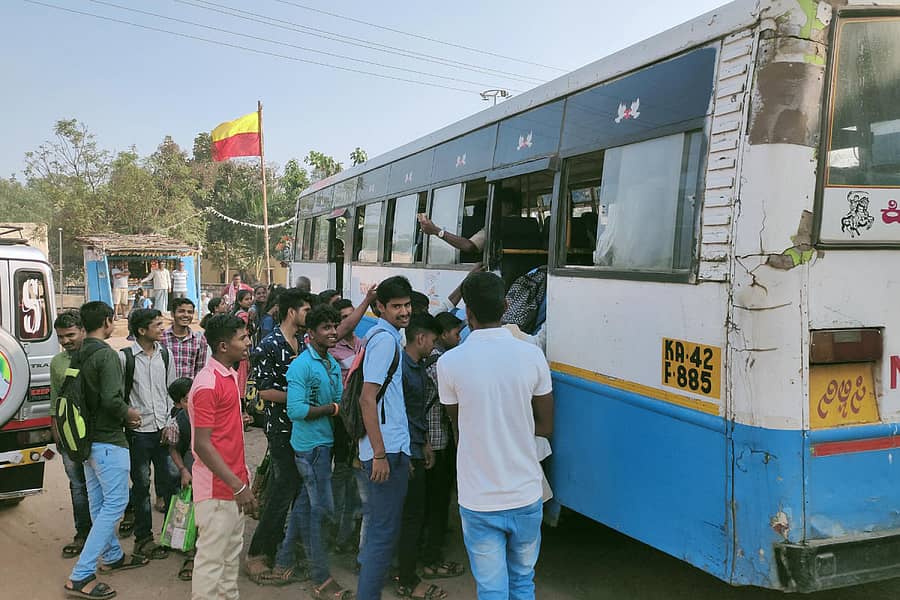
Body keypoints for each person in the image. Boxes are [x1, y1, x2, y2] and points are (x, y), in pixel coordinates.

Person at [437, 272, 554, 600]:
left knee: (491, 590)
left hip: (479, 498)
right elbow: (545, 426)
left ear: (468, 313)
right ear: (505, 306)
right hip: (526, 494)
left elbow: (460, 427)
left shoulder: (449, 363)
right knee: (522, 583)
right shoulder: (533, 357)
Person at [64, 301, 147, 600]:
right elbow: (113, 400)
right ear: (108, 322)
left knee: (99, 505)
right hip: (109, 441)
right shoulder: (107, 356)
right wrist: (131, 414)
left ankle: (112, 556)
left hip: (85, 442)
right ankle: (81, 575)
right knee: (114, 505)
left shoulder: (78, 353)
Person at [276, 304, 353, 598]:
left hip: (325, 444)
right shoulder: (301, 366)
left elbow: (338, 400)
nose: (333, 332)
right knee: (321, 511)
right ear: (311, 333)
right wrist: (332, 409)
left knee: (306, 505)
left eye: (335, 326)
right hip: (310, 448)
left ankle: (284, 559)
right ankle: (320, 576)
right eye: (326, 328)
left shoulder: (330, 364)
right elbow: (296, 409)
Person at [244, 289, 314, 584]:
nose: (310, 315)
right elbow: (263, 390)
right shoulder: (269, 345)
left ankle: (286, 550)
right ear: (291, 312)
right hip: (282, 429)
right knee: (282, 489)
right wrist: (299, 400)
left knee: (297, 490)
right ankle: (258, 554)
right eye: (306, 309)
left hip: (304, 429)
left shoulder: (303, 342)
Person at [188, 314, 257, 600]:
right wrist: (238, 486)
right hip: (218, 491)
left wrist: (243, 482)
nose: (248, 342)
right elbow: (202, 445)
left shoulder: (228, 376)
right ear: (223, 346)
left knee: (230, 562)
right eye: (242, 338)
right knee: (212, 564)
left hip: (232, 486)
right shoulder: (207, 384)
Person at [356, 275, 413, 600]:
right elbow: (368, 398)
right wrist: (379, 453)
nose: (404, 312)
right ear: (380, 307)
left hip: (392, 448)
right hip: (384, 451)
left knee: (384, 532)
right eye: (396, 306)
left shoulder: (387, 336)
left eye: (406, 305)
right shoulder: (384, 341)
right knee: (381, 535)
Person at [396, 314, 449, 600]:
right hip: (407, 453)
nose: (434, 345)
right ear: (421, 338)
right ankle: (406, 579)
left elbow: (416, 416)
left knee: (414, 514)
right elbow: (400, 416)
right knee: (410, 516)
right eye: (433, 339)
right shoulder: (406, 370)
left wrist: (425, 443)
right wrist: (409, 455)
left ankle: (406, 571)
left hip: (417, 447)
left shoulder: (414, 367)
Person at [120, 308, 178, 561]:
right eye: (157, 324)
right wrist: (127, 415)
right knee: (142, 486)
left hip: (163, 430)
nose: (162, 328)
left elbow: (172, 392)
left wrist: (170, 423)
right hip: (139, 433)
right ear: (142, 331)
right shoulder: (125, 358)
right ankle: (143, 539)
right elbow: (118, 395)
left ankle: (172, 535)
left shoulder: (165, 355)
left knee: (169, 484)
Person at [421, 311, 466, 579]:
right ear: (444, 334)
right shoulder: (440, 364)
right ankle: (431, 559)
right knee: (438, 504)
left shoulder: (429, 360)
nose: (459, 338)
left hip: (429, 441)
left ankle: (425, 553)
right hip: (436, 442)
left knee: (430, 503)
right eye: (456, 333)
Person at [50, 310, 92, 559]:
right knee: (78, 486)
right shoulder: (57, 362)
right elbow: (55, 399)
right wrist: (56, 431)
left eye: (71, 335)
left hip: (96, 435)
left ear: (83, 331)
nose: (66, 341)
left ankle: (103, 536)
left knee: (102, 487)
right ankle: (83, 533)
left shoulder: (98, 356)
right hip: (69, 435)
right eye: (61, 337)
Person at [164, 377, 195, 582]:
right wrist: (183, 470)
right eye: (186, 399)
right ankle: (192, 553)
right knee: (191, 510)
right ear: (178, 404)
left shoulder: (214, 413)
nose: (192, 401)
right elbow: (173, 449)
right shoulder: (177, 423)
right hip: (192, 471)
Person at [162, 297, 207, 379]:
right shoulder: (162, 338)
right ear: (172, 314)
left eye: (190, 312)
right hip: (165, 389)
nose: (186, 315)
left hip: (189, 389)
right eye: (181, 311)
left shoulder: (199, 340)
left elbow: (200, 369)